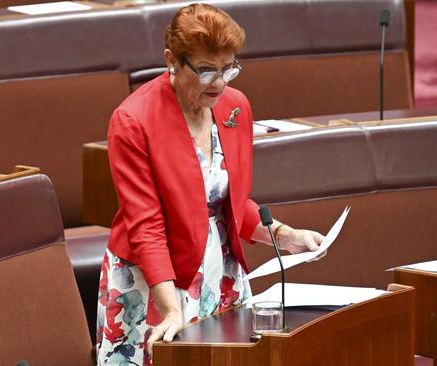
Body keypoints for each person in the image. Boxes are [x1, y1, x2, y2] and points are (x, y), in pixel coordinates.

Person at [95, 4, 325, 365]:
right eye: (205, 70)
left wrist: (282, 234)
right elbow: (146, 226)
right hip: (153, 280)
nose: (218, 82)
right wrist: (171, 309)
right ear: (172, 60)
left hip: (220, 274)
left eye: (228, 68)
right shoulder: (132, 121)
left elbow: (224, 202)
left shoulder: (235, 108)